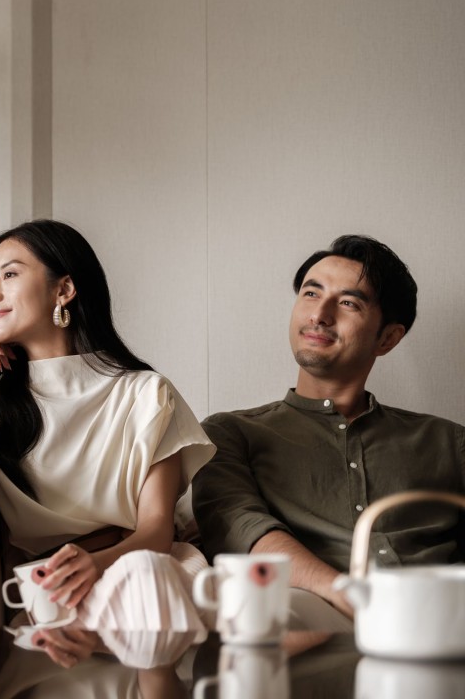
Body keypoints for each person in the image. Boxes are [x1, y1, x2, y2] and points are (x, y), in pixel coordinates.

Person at [0, 219, 215, 631]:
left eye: (10, 275)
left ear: (64, 289)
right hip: (50, 592)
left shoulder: (146, 394)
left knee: (139, 599)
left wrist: (92, 566)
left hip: (144, 571)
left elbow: (155, 533)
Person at [193, 235, 465, 627]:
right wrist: (351, 597)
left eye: (349, 302)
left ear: (387, 337)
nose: (319, 314)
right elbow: (242, 532)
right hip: (309, 623)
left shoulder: (448, 442)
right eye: (310, 293)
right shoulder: (230, 433)